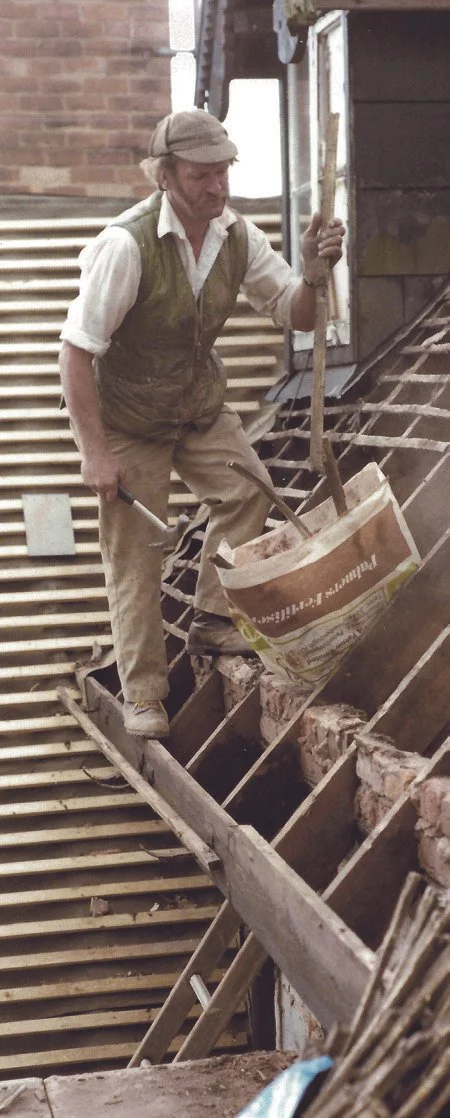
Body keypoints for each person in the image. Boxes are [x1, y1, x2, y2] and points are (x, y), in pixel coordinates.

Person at [59, 109, 344, 740]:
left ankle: (214, 618)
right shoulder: (124, 246)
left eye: (223, 172)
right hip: (129, 418)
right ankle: (145, 695)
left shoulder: (236, 235)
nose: (217, 187)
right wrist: (94, 452)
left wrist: (314, 270)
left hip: (199, 407)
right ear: (165, 177)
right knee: (135, 556)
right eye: (201, 176)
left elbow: (295, 312)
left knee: (247, 491)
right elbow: (75, 353)